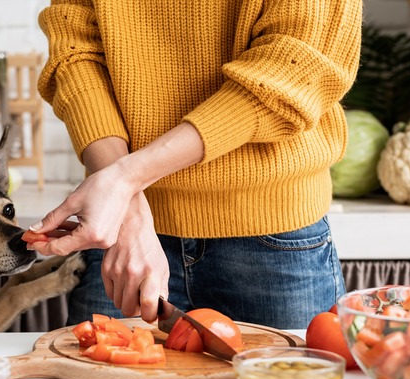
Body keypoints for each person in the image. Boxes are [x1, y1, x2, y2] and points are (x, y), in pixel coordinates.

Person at [29, 0, 362, 330]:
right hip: (120, 233)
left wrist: (124, 181)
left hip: (273, 235)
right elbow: (75, 52)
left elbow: (295, 68)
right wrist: (127, 209)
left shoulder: (122, 186)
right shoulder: (123, 209)